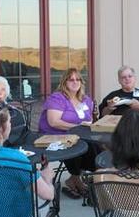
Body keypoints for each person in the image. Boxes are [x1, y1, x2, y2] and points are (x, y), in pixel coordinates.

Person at [38, 68, 96, 198]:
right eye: (71, 79)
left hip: (78, 135)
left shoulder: (85, 99)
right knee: (77, 146)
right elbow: (53, 122)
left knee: (93, 146)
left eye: (78, 79)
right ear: (64, 82)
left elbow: (89, 119)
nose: (75, 82)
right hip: (54, 135)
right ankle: (76, 180)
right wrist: (77, 126)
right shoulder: (57, 98)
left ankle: (76, 178)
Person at [0, 75, 29, 147]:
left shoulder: (14, 113)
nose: (0, 93)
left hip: (9, 148)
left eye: (3, 89)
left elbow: (17, 138)